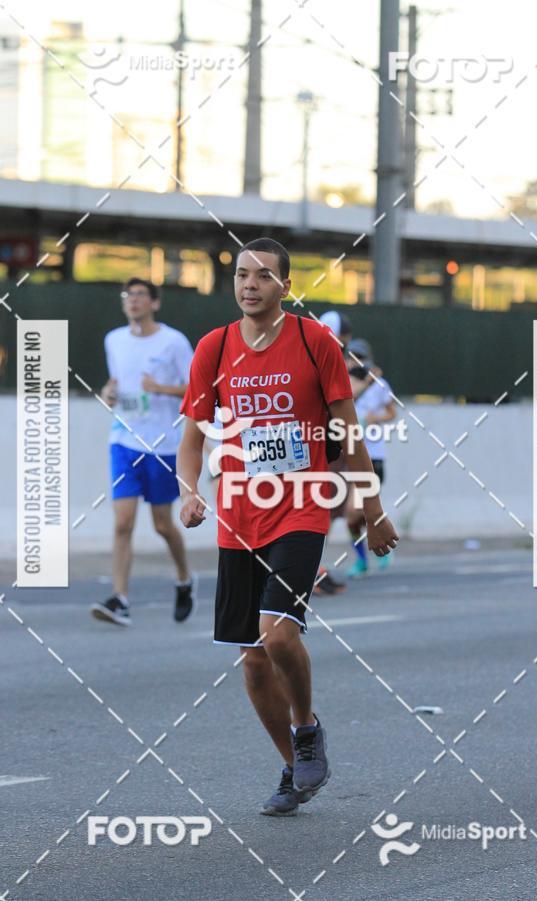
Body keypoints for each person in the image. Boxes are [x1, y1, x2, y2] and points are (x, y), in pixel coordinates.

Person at [177, 237, 398, 816]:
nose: (250, 284)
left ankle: (306, 728)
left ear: (286, 287)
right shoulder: (214, 348)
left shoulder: (314, 341)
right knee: (252, 658)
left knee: (278, 634)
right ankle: (292, 767)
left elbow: (348, 433)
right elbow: (193, 435)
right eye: (242, 275)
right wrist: (189, 490)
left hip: (301, 504)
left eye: (263, 276)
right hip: (239, 516)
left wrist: (371, 511)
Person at [91, 277, 195, 627]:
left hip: (162, 444)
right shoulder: (114, 340)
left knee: (163, 524)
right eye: (127, 295)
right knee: (123, 522)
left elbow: (196, 390)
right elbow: (117, 381)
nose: (132, 301)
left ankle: (184, 579)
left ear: (154, 303)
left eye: (139, 295)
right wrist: (108, 391)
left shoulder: (174, 341)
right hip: (123, 439)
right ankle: (120, 599)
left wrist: (161, 388)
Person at [346, 338, 397, 577]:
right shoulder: (346, 383)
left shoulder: (380, 384)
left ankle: (382, 543)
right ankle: (362, 560)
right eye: (351, 356)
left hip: (372, 457)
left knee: (356, 511)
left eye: (359, 357)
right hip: (350, 457)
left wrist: (376, 418)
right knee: (351, 519)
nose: (354, 361)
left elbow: (391, 412)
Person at [313, 309, 353, 595]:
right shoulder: (332, 359)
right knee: (321, 509)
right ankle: (312, 570)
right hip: (324, 449)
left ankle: (312, 568)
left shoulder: (308, 351)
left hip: (321, 446)